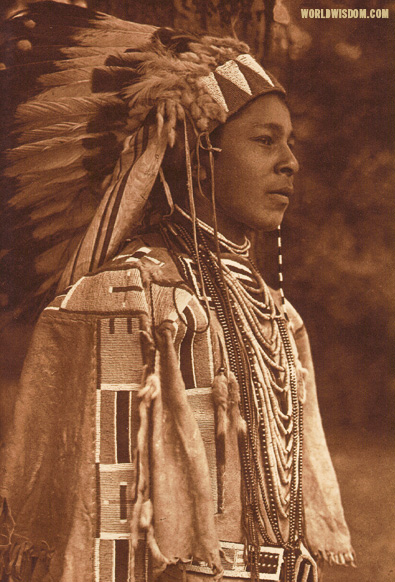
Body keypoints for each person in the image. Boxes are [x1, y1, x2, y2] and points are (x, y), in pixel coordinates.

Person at [0, 3, 354, 581]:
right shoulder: (129, 298)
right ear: (196, 154)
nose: (291, 163)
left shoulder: (278, 313)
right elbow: (100, 515)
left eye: (290, 143)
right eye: (266, 141)